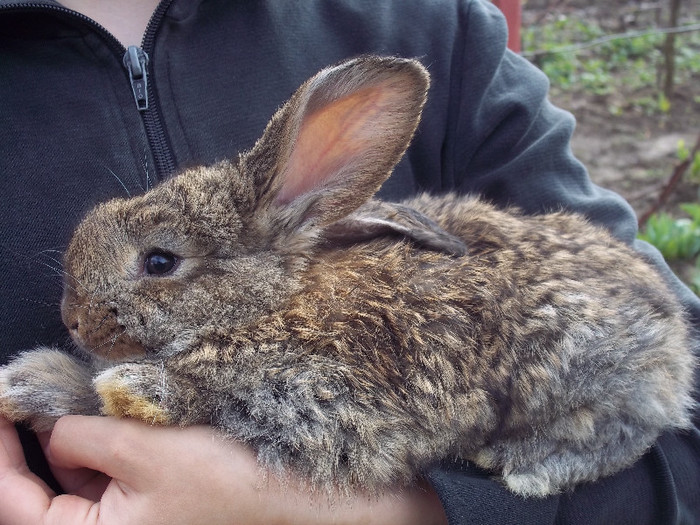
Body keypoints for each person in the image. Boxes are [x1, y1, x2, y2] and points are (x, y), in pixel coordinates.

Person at [0, 0, 697, 524]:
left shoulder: (432, 22)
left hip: (601, 365)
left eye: (158, 261)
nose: (76, 318)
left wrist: (420, 513)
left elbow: (681, 434)